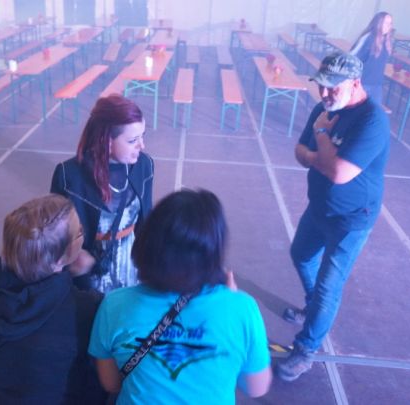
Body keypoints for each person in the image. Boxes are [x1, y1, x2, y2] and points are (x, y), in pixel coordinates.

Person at [88, 189, 272, 404]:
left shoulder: (114, 305)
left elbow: (111, 383)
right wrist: (231, 301)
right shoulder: (243, 308)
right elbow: (256, 387)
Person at [276, 52, 390, 381]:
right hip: (319, 207)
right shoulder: (324, 109)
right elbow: (300, 152)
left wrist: (322, 137)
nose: (324, 94)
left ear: (355, 83)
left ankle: (305, 350)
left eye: (332, 87)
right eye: (321, 86)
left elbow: (340, 173)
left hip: (352, 219)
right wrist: (321, 158)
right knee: (300, 255)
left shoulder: (372, 120)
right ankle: (314, 308)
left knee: (329, 286)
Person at [0, 194, 107, 404]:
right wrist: (83, 277)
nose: (83, 233)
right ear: (61, 257)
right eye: (79, 232)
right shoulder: (87, 307)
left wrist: (67, 272)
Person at [50, 94, 153, 292]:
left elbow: (145, 221)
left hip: (131, 268)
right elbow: (56, 236)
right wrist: (75, 258)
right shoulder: (69, 175)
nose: (142, 145)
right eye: (133, 140)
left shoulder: (144, 165)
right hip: (89, 277)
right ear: (106, 141)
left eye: (143, 136)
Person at [350, 11, 394, 103]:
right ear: (378, 23)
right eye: (385, 23)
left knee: (374, 110)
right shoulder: (368, 38)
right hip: (362, 83)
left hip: (377, 85)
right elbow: (352, 58)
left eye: (390, 24)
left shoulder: (386, 41)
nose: (388, 26)